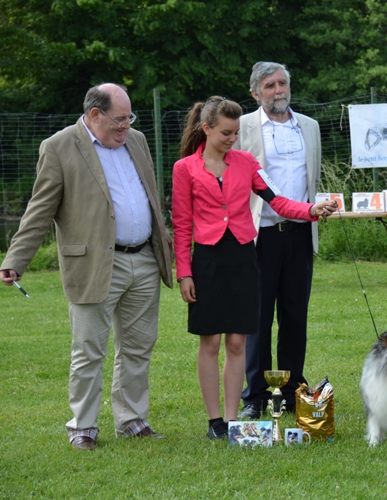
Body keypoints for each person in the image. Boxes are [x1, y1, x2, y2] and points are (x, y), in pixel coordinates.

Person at [0, 83, 173, 450]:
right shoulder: (59, 147)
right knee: (89, 350)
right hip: (94, 264)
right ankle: (83, 427)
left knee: (139, 346)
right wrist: (15, 259)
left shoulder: (136, 140)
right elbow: (40, 209)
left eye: (130, 119)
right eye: (119, 120)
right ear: (95, 115)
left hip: (143, 258)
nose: (125, 127)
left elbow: (149, 196)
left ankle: (131, 420)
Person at [172, 96, 335, 439]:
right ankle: (214, 421)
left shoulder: (247, 162)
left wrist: (310, 210)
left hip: (245, 257)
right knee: (211, 343)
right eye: (226, 133)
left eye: (235, 133)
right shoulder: (184, 168)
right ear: (207, 129)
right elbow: (182, 225)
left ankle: (233, 422)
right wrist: (184, 272)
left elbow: (276, 199)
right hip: (207, 261)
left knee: (236, 344)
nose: (233, 139)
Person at [235, 62, 324, 419]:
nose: (278, 90)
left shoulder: (310, 127)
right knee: (257, 318)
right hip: (261, 234)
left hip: (300, 233)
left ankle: (291, 390)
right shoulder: (242, 127)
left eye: (283, 82)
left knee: (295, 316)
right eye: (270, 85)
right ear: (256, 92)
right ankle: (255, 396)